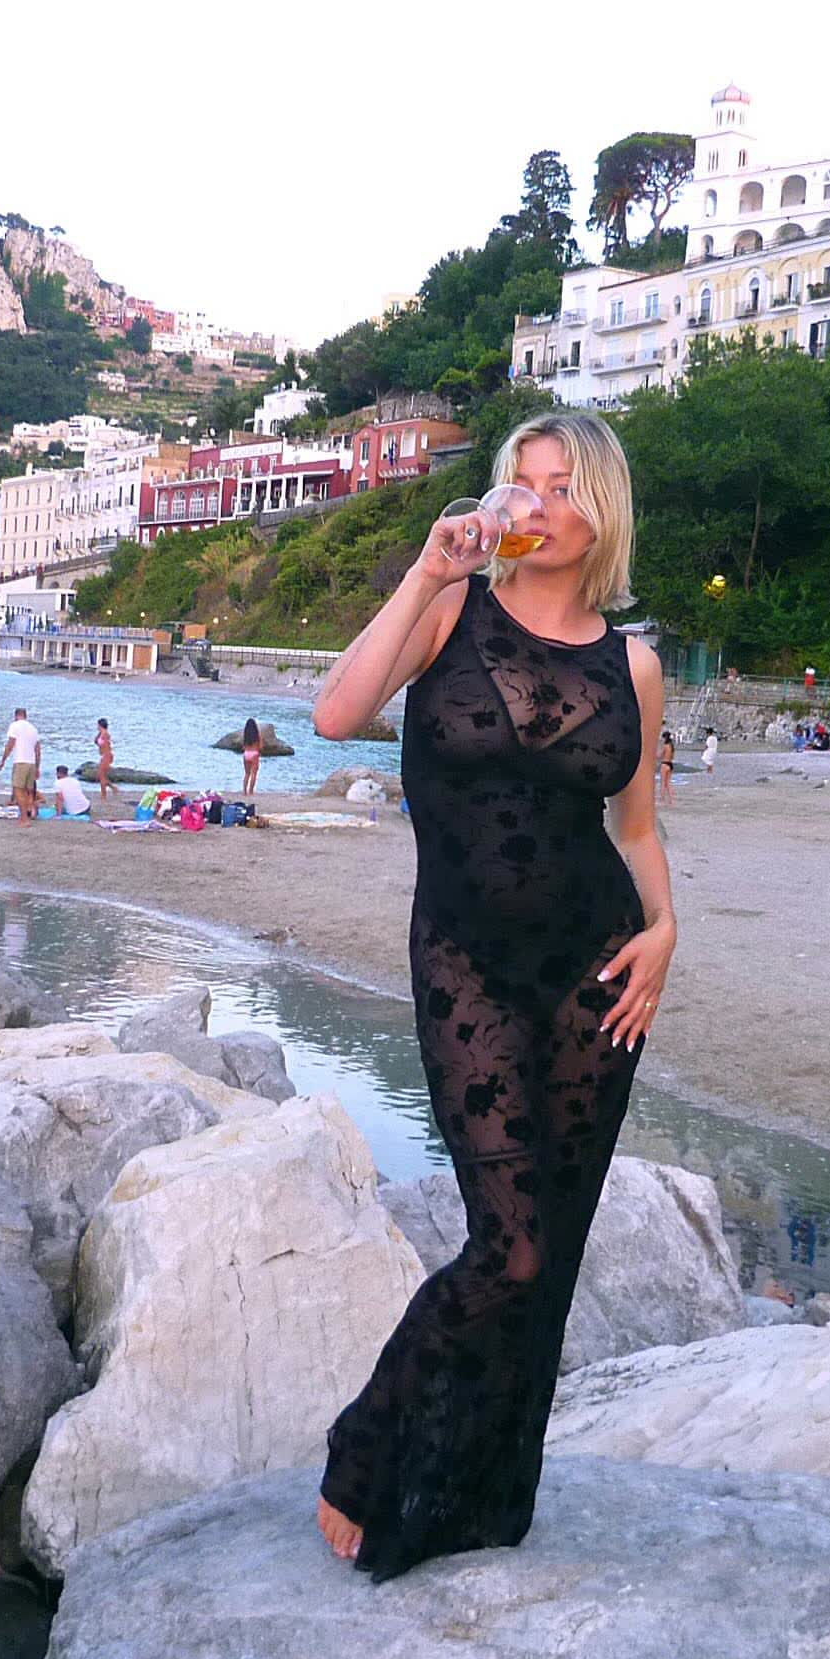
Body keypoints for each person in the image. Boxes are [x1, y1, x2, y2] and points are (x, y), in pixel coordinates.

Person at [310, 409, 675, 1581]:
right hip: (465, 961)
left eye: (563, 486)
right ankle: (368, 1443)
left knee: (549, 1264)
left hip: (594, 974)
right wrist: (427, 568)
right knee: (507, 1250)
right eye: (524, 482)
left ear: (602, 507)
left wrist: (667, 930)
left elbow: (636, 826)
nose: (538, 505)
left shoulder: (634, 665)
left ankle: (479, 1500)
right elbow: (334, 714)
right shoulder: (451, 610)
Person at [0, 706, 42, 826]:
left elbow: (10, 744)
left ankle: (24, 818)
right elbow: (38, 750)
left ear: (16, 716)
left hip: (21, 761)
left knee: (18, 790)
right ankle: (31, 812)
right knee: (29, 791)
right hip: (31, 763)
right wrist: (37, 767)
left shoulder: (15, 726)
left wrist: (3, 760)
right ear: (26, 716)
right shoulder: (33, 728)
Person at [94, 718, 115, 803]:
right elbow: (96, 741)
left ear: (100, 725)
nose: (97, 727)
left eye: (98, 725)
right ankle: (113, 788)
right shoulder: (101, 734)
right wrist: (99, 733)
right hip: (103, 755)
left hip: (107, 755)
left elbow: (105, 744)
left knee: (101, 776)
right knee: (101, 775)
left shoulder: (105, 734)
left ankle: (104, 795)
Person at [241, 717, 262, 796]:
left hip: (246, 754)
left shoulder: (245, 735)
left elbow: (243, 747)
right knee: (253, 774)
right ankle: (251, 791)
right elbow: (261, 746)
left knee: (247, 773)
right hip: (254, 754)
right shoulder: (257, 735)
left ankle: (244, 791)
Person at [657, 729, 675, 806]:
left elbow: (659, 756)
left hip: (664, 764)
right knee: (668, 783)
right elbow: (672, 757)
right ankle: (671, 800)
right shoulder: (671, 746)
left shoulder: (665, 746)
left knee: (663, 783)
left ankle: (662, 799)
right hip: (670, 764)